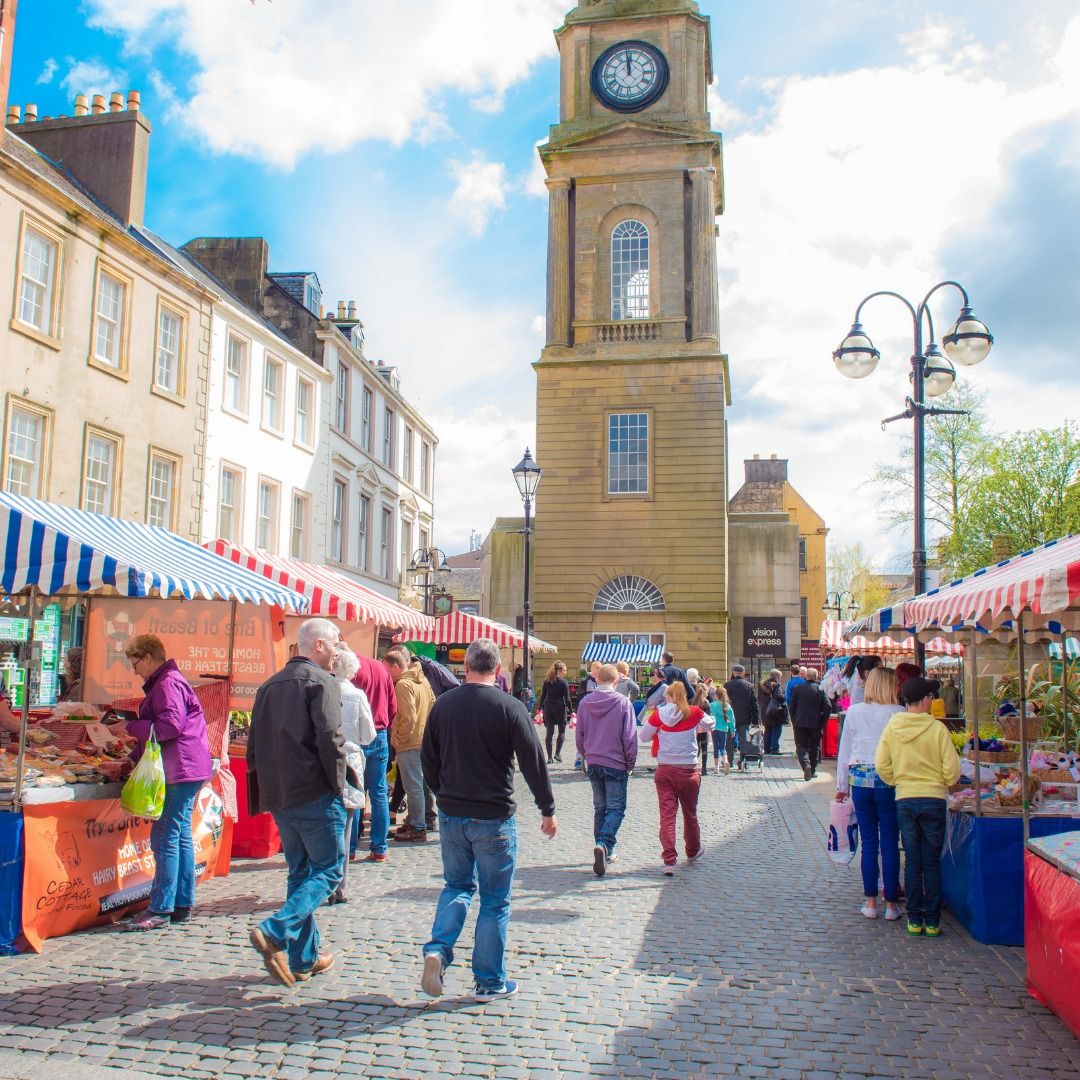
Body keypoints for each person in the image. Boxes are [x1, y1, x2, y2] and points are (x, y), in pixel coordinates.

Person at [420, 638, 556, 1002]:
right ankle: (488, 981)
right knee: (495, 900)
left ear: (466, 667)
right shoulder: (509, 707)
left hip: (452, 813)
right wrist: (547, 808)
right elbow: (533, 761)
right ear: (498, 670)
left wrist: (442, 792)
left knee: (457, 886)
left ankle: (438, 949)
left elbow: (427, 758)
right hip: (493, 815)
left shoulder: (443, 705)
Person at [247, 618, 350, 986]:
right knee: (330, 870)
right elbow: (330, 739)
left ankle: (304, 958)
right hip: (313, 792)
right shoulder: (321, 682)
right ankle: (277, 929)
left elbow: (254, 744)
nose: (339, 650)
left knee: (301, 872)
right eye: (336, 643)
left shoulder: (269, 685)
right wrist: (339, 786)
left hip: (281, 794)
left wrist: (263, 791)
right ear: (318, 645)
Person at [122, 634, 213, 932]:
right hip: (187, 765)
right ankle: (181, 902)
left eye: (135, 662)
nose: (134, 670)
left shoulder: (167, 683)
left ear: (148, 657)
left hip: (181, 767)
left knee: (164, 836)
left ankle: (161, 907)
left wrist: (127, 726)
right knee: (179, 833)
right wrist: (131, 757)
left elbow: (170, 726)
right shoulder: (168, 681)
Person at [875, 676, 961, 938]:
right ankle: (932, 922)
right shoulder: (937, 729)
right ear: (925, 700)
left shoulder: (893, 728)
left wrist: (897, 781)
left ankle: (914, 919)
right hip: (934, 798)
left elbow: (882, 764)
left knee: (912, 860)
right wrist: (943, 782)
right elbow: (953, 770)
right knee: (932, 862)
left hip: (905, 798)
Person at [834, 667, 903, 921]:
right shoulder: (898, 713)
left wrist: (841, 786)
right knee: (889, 842)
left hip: (860, 778)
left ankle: (871, 902)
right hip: (889, 778)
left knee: (869, 843)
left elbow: (845, 750)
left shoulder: (854, 712)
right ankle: (892, 905)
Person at [639, 682, 713, 874]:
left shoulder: (659, 715)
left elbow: (644, 737)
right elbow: (711, 723)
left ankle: (669, 859)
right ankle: (692, 850)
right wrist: (698, 728)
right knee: (690, 813)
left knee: (667, 816)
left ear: (669, 696)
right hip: (688, 770)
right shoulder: (694, 712)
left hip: (665, 770)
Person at [574, 663, 637, 877]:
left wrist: (586, 754)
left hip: (594, 761)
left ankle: (604, 850)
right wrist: (630, 763)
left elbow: (579, 735)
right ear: (616, 682)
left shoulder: (584, 702)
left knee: (600, 808)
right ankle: (604, 844)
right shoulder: (622, 703)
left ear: (597, 679)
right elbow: (630, 737)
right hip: (616, 762)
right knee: (616, 809)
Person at [329, 647, 375, 903]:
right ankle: (340, 884)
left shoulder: (321, 690)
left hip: (324, 760)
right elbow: (368, 734)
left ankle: (323, 880)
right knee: (346, 826)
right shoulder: (357, 695)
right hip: (351, 760)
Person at [384, 646, 437, 843]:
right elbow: (433, 704)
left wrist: (397, 738)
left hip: (410, 741)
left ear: (396, 666)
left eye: (388, 669)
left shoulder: (403, 684)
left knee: (412, 784)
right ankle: (419, 820)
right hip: (422, 738)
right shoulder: (422, 680)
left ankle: (418, 826)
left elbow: (408, 717)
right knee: (420, 783)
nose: (387, 674)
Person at [352, 652, 397, 863]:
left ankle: (350, 848)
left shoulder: (351, 668)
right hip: (379, 734)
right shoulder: (381, 668)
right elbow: (393, 707)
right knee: (379, 792)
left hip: (357, 735)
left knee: (354, 791)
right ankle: (379, 848)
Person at [790, 667, 831, 780]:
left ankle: (805, 765)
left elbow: (791, 706)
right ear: (816, 677)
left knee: (801, 746)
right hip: (815, 723)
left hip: (800, 723)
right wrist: (822, 721)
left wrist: (794, 719)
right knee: (814, 747)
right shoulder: (820, 689)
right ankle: (812, 770)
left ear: (805, 676)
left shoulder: (797, 689)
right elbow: (827, 707)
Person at [723, 665, 759, 771]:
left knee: (729, 740)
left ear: (733, 673)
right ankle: (743, 761)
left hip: (729, 717)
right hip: (744, 717)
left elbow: (723, 702)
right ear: (743, 673)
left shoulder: (727, 685)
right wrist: (756, 721)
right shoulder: (749, 686)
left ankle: (729, 761)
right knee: (744, 741)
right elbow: (755, 704)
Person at [538, 660, 572, 764]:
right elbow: (567, 699)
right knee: (561, 731)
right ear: (560, 671)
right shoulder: (564, 682)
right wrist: (571, 710)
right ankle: (557, 754)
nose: (566, 672)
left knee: (549, 733)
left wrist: (540, 709)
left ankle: (549, 757)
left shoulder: (547, 681)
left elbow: (542, 696)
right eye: (565, 670)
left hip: (548, 707)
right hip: (559, 708)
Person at [709, 685, 736, 773]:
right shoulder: (727, 706)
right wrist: (732, 731)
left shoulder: (712, 705)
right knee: (722, 748)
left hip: (714, 729)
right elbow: (731, 720)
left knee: (715, 748)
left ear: (716, 695)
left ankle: (716, 767)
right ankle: (726, 761)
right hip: (724, 729)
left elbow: (709, 717)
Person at [760, 668, 786, 755]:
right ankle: (775, 748)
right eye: (780, 677)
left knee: (767, 730)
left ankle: (767, 749)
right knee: (776, 729)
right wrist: (784, 697)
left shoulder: (763, 684)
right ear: (777, 676)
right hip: (775, 712)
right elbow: (779, 697)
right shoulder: (776, 686)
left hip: (765, 711)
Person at [692, 682, 712, 774]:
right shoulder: (706, 702)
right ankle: (704, 768)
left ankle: (693, 765)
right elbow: (708, 716)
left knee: (695, 748)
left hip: (694, 728)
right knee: (704, 748)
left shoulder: (692, 701)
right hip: (703, 729)